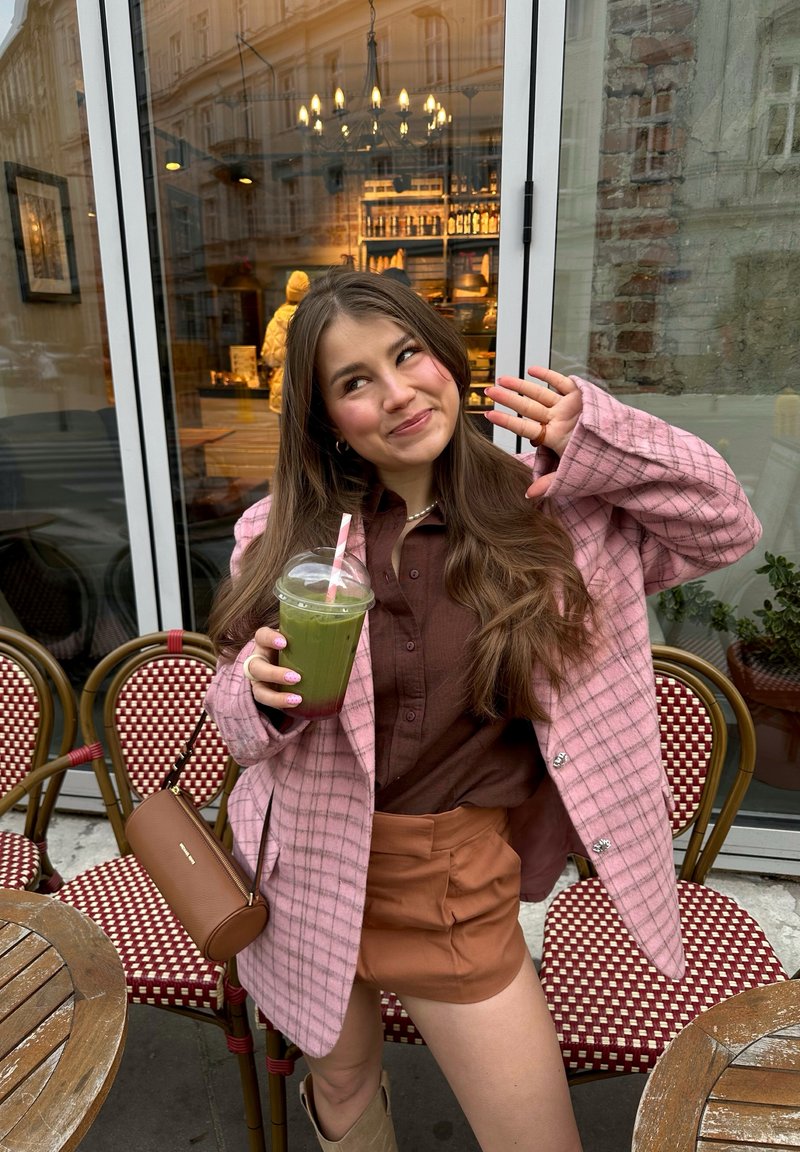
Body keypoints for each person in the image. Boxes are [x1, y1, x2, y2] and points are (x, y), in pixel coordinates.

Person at [205, 268, 760, 1152]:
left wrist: (605, 439)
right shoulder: (290, 534)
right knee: (343, 1089)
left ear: (444, 358)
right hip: (303, 864)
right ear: (325, 419)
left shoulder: (558, 514)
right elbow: (232, 720)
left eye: (406, 355)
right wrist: (256, 694)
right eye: (354, 383)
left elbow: (724, 527)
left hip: (450, 884)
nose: (396, 395)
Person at [261, 269, 310, 414]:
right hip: (307, 384)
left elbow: (269, 358)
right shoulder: (311, 319)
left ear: (288, 292)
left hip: (282, 386)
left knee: (286, 434)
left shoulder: (275, 321)